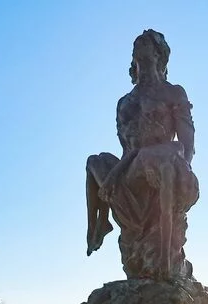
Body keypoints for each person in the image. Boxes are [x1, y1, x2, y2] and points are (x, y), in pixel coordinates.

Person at [85, 29, 199, 281]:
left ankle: (166, 262)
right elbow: (129, 149)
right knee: (95, 161)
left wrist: (184, 170)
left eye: (148, 44)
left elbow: (187, 141)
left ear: (159, 55)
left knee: (156, 155)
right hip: (132, 168)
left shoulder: (173, 92)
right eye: (137, 45)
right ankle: (99, 225)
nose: (141, 47)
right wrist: (114, 175)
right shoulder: (125, 101)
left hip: (164, 161)